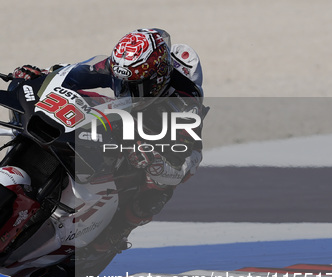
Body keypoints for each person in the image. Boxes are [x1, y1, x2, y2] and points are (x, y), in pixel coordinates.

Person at [13, 28, 206, 256]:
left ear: (158, 80)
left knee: (160, 187)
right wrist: (42, 76)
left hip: (160, 135)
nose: (121, 89)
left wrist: (155, 159)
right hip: (122, 115)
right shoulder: (124, 66)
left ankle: (117, 232)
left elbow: (183, 163)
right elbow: (74, 73)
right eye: (119, 81)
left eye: (131, 85)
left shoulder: (185, 104)